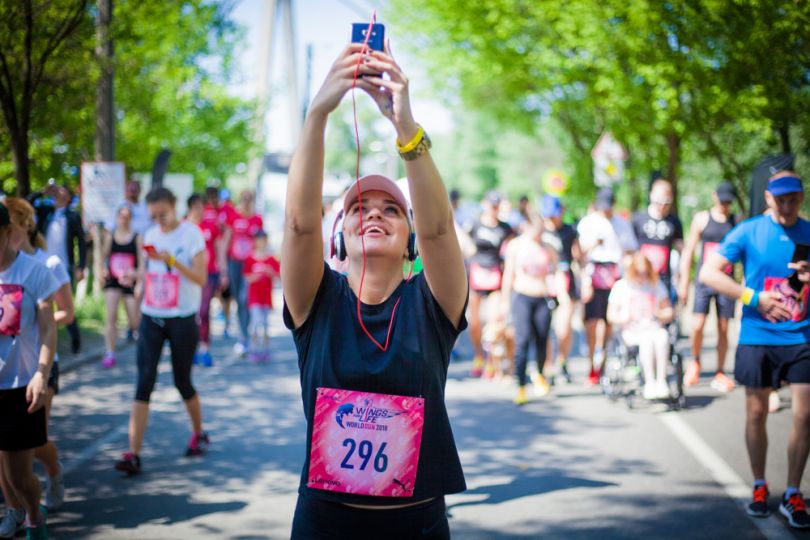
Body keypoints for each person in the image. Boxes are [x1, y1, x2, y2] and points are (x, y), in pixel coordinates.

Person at [283, 43, 467, 539]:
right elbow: (300, 225)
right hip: (325, 524)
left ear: (411, 241)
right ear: (340, 235)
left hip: (417, 524)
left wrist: (404, 125)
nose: (375, 214)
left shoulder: (432, 304)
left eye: (392, 210)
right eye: (360, 208)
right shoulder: (316, 301)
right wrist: (319, 111)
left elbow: (440, 232)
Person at [700, 170, 810, 529]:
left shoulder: (808, 230)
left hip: (801, 335)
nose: (787, 205)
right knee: (756, 415)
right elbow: (710, 273)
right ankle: (760, 486)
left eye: (793, 198)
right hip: (758, 335)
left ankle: (793, 492)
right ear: (767, 198)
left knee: (805, 415)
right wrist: (753, 297)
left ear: (802, 198)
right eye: (781, 199)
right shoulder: (748, 230)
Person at [114, 187, 209, 476]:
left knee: (183, 381)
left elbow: (201, 278)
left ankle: (198, 433)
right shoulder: (151, 235)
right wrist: (136, 276)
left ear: (174, 205)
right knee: (144, 381)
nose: (160, 221)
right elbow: (151, 272)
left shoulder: (191, 234)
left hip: (182, 318)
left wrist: (172, 260)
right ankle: (134, 453)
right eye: (154, 216)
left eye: (163, 214)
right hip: (153, 317)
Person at [0, 202, 59, 539]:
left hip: (19, 386)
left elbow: (49, 328)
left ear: (8, 234)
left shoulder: (33, 272)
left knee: (18, 477)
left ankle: (35, 517)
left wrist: (42, 372)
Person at [679, 182, 738, 392]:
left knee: (723, 327)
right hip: (704, 281)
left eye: (729, 201)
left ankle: (720, 371)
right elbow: (689, 252)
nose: (725, 205)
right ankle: (695, 361)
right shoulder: (702, 219)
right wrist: (684, 282)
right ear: (714, 197)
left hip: (727, 282)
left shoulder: (736, 221)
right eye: (723, 201)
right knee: (697, 324)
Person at [577, 188, 638, 385]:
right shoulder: (588, 223)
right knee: (592, 323)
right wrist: (593, 246)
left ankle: (602, 360)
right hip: (593, 275)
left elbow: (630, 250)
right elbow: (578, 254)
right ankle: (591, 366)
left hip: (615, 275)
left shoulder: (622, 224)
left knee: (609, 322)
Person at [501, 215, 560, 404]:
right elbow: (509, 273)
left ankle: (540, 374)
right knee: (523, 340)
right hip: (522, 296)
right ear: (527, 228)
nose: (539, 235)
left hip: (542, 297)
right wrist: (505, 301)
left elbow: (556, 271)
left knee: (542, 339)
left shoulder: (548, 247)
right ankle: (521, 385)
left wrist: (559, 294)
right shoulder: (516, 246)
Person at [608, 252, 675, 399]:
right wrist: (622, 318)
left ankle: (661, 381)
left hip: (653, 326)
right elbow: (611, 315)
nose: (642, 276)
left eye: (645, 272)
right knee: (646, 341)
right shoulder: (621, 287)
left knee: (662, 337)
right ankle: (650, 382)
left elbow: (669, 310)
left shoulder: (655, 285)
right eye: (638, 273)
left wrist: (659, 313)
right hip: (632, 331)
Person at [29, 183, 86, 354]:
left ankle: (74, 336)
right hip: (43, 265)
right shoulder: (46, 212)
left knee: (65, 305)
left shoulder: (73, 216)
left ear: (69, 197)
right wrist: (42, 191)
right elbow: (26, 204)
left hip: (64, 266)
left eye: (62, 189)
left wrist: (81, 266)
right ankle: (44, 336)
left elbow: (81, 243)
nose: (58, 191)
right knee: (43, 305)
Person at [468, 191, 514, 377]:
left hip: (496, 276)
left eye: (497, 206)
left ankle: (491, 360)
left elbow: (512, 248)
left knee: (494, 319)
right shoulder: (475, 224)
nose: (494, 209)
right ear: (485, 204)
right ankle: (479, 354)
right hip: (477, 275)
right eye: (491, 205)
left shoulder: (505, 228)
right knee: (475, 322)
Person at [541, 195, 581, 384]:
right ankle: (548, 366)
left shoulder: (569, 231)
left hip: (566, 281)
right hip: (545, 282)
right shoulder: (539, 233)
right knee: (546, 329)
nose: (551, 220)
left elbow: (578, 257)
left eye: (554, 216)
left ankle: (562, 360)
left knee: (563, 328)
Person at [101, 205, 142, 368]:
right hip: (113, 281)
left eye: (127, 217)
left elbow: (143, 263)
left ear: (131, 219)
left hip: (130, 281)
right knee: (111, 317)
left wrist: (139, 281)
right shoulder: (111, 236)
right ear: (117, 218)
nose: (124, 220)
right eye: (122, 216)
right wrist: (102, 270)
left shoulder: (137, 237)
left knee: (135, 320)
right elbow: (103, 257)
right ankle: (110, 353)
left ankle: (143, 350)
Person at [187, 193, 225, 367]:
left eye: (202, 206)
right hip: (188, 274)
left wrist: (223, 272)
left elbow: (219, 250)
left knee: (203, 311)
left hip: (209, 273)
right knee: (191, 312)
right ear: (190, 208)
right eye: (197, 207)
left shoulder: (210, 226)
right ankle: (191, 348)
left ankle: (204, 348)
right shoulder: (184, 227)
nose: (200, 210)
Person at [631, 179, 683, 300]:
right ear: (651, 196)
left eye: (666, 202)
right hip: (641, 277)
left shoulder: (674, 222)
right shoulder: (638, 219)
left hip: (664, 278)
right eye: (659, 201)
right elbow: (629, 249)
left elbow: (682, 250)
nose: (662, 206)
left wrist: (681, 278)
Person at [226, 190, 263, 355]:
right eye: (244, 199)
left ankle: (244, 337)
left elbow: (261, 242)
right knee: (238, 300)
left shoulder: (257, 219)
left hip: (250, 264)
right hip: (234, 263)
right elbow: (226, 240)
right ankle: (242, 333)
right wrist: (222, 266)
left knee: (244, 297)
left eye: (250, 199)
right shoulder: (233, 217)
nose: (247, 202)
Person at [243, 230, 279, 362]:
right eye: (259, 239)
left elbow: (278, 275)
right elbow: (246, 277)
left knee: (264, 325)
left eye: (263, 239)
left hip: (266, 298)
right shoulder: (250, 259)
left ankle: (264, 350)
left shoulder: (270, 259)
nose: (261, 242)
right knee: (255, 324)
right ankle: (253, 349)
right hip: (254, 299)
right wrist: (255, 276)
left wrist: (270, 272)